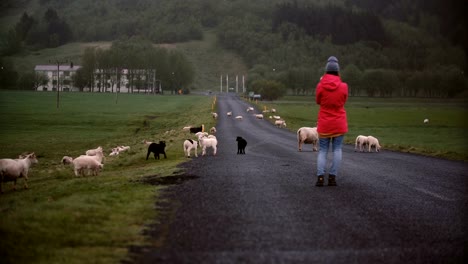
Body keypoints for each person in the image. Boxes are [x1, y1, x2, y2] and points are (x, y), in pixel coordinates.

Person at [315, 56, 348, 187]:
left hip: (324, 123)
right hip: (339, 122)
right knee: (337, 149)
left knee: (323, 150)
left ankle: (320, 177)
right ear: (338, 71)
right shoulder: (344, 86)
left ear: (326, 71)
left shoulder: (320, 86)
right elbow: (343, 101)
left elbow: (318, 101)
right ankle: (333, 177)